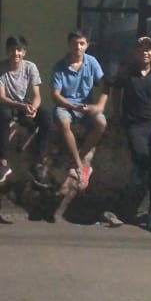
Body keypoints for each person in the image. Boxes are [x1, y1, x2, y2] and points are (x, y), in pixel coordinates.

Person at [113, 36, 151, 233]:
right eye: (141, 49)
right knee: (141, 156)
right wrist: (116, 115)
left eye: (149, 49)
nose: (145, 52)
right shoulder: (127, 73)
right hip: (134, 125)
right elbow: (115, 90)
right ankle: (139, 177)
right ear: (136, 52)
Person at [0, 34, 52, 186]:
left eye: (19, 50)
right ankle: (3, 162)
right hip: (8, 104)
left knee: (46, 117)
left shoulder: (30, 67)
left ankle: (38, 163)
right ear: (7, 51)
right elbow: (2, 97)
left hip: (25, 103)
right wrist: (21, 106)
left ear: (24, 52)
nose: (16, 53)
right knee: (3, 115)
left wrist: (33, 108)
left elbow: (37, 96)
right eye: (12, 50)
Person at [51, 30, 107, 189]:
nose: (78, 47)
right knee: (64, 123)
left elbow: (105, 87)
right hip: (66, 106)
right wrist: (72, 106)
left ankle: (77, 161)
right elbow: (55, 95)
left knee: (101, 122)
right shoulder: (60, 66)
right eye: (75, 44)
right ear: (69, 45)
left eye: (82, 43)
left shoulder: (92, 62)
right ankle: (78, 164)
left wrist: (99, 106)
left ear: (87, 45)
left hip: (86, 106)